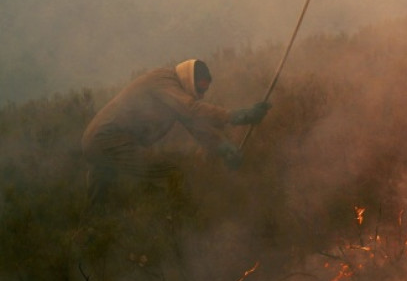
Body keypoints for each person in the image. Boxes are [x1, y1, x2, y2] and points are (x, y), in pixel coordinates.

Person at [81, 58, 270, 205]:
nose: (201, 95)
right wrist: (235, 116)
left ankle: (92, 233)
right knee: (172, 175)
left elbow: (197, 126)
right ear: (190, 79)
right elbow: (192, 109)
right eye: (200, 89)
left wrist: (223, 148)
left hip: (98, 141)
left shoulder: (173, 94)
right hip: (109, 140)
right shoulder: (164, 80)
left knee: (101, 203)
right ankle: (177, 221)